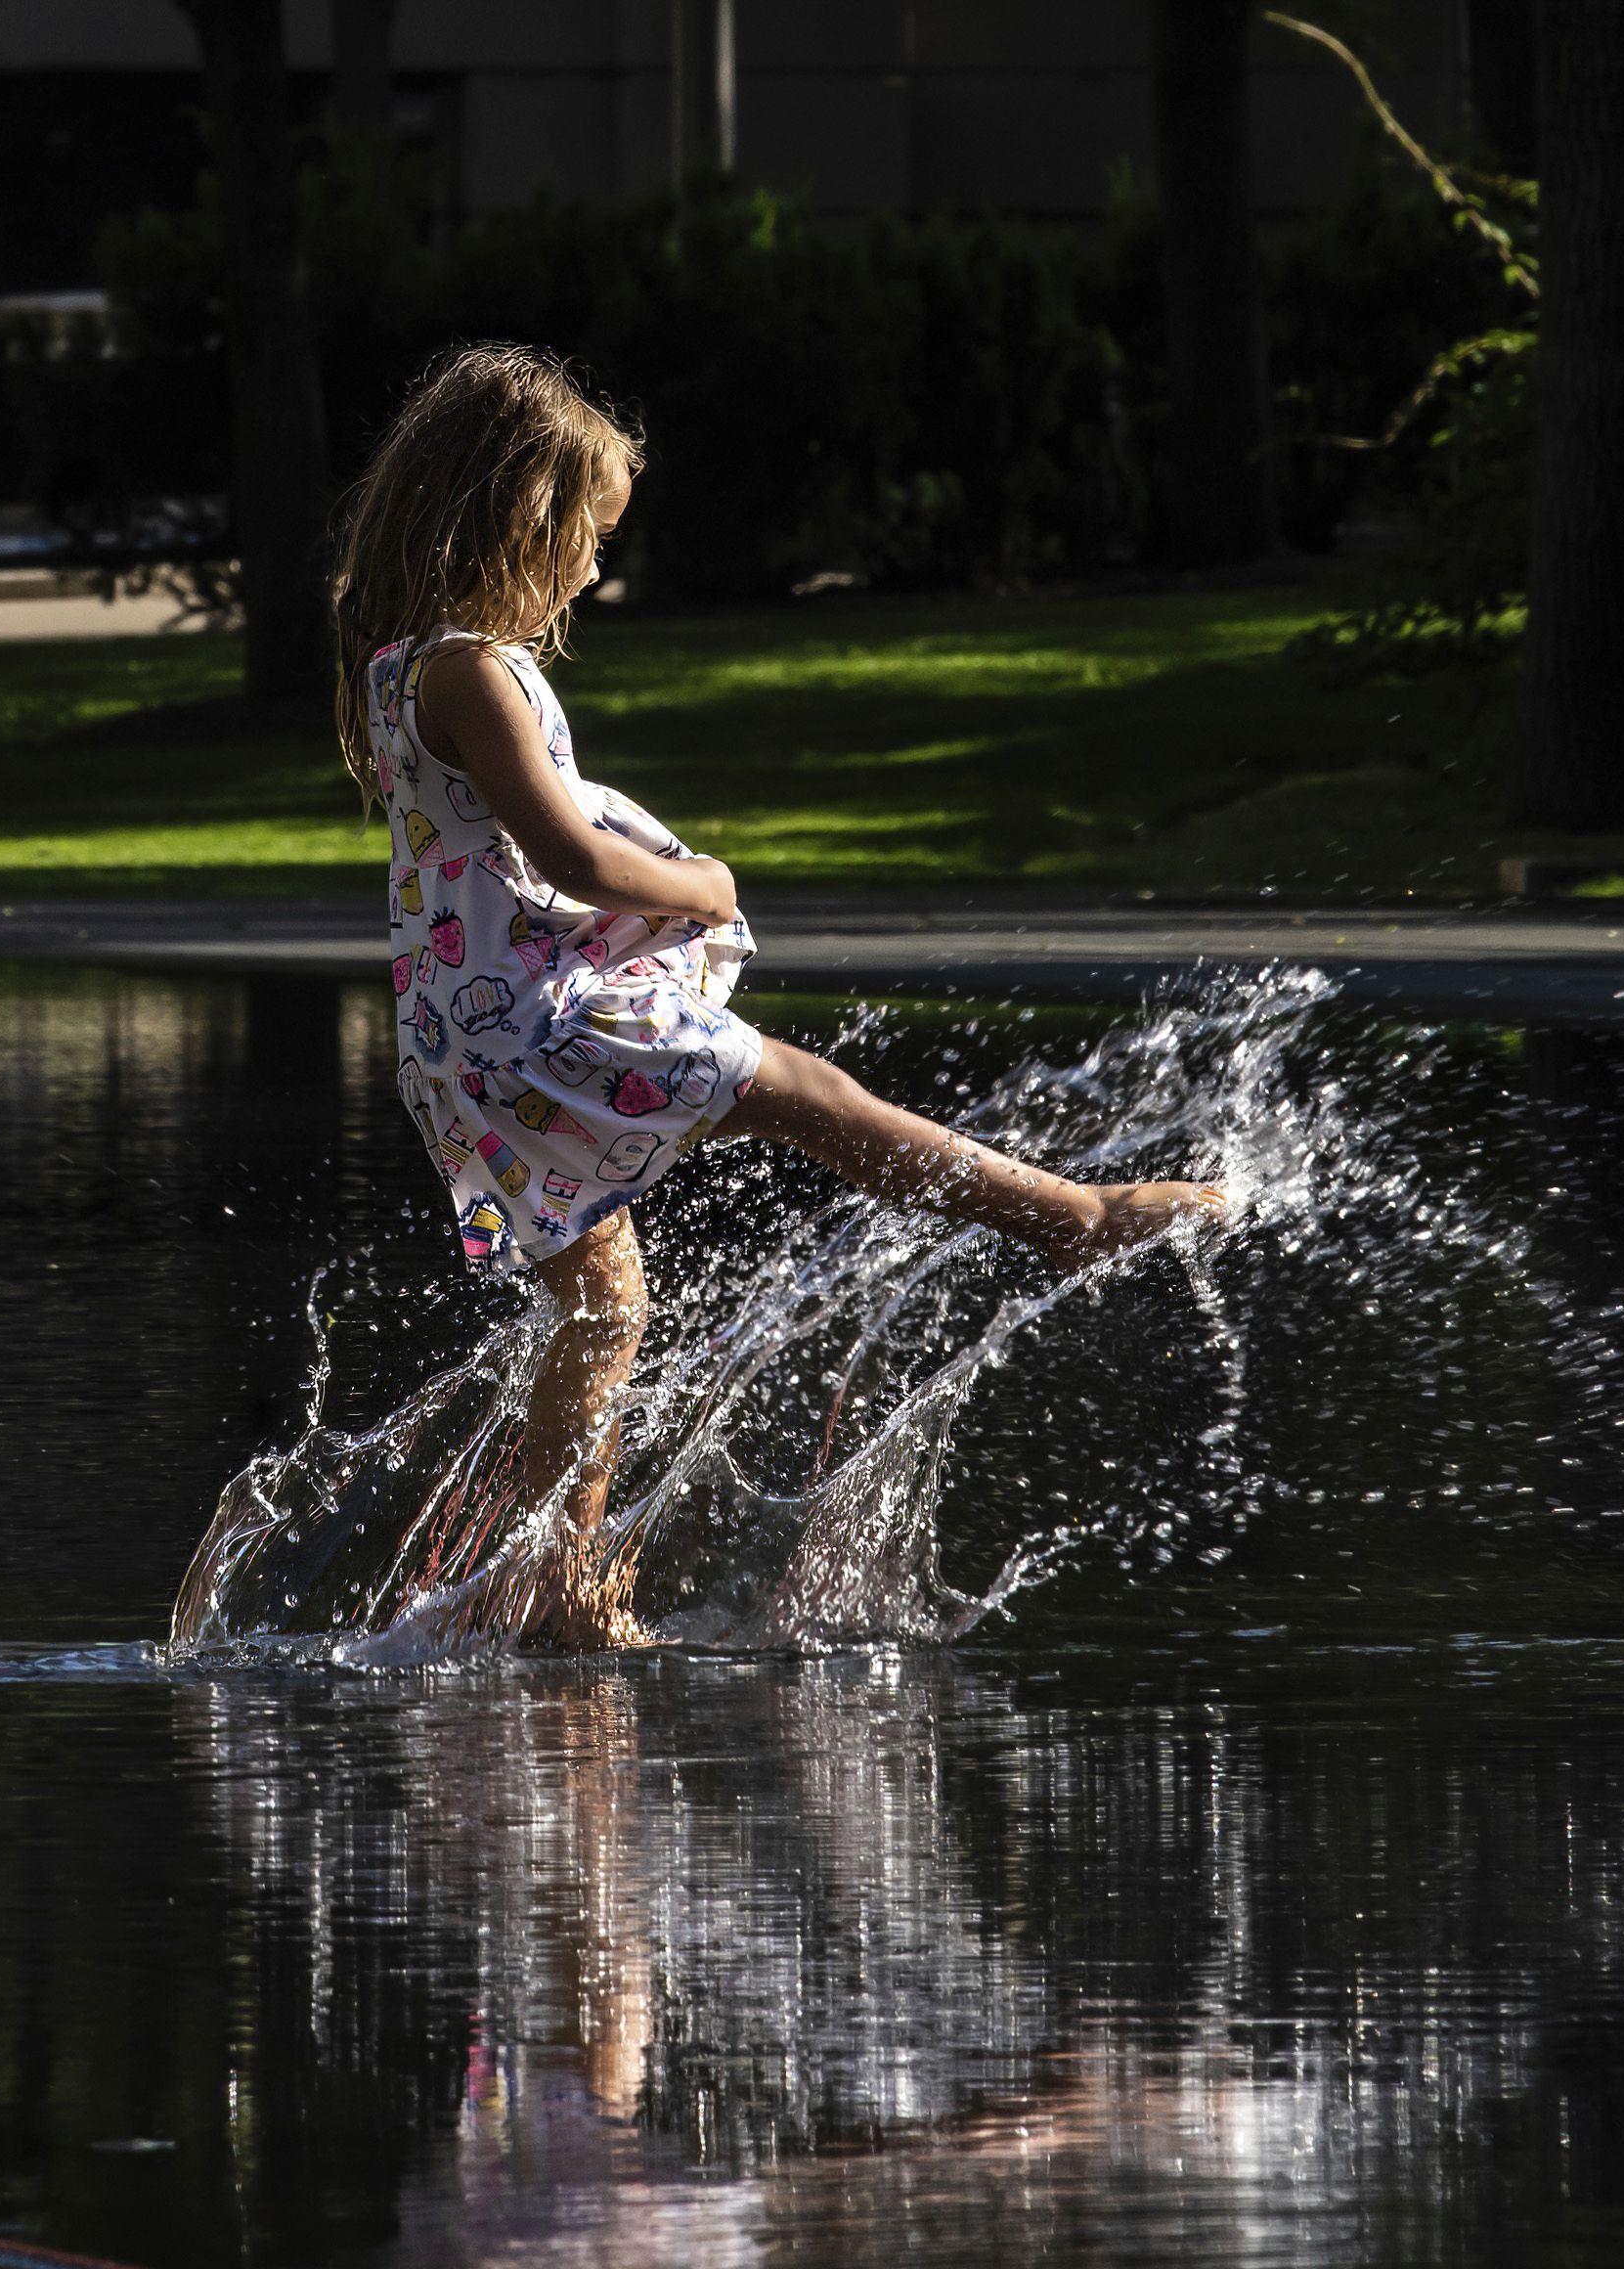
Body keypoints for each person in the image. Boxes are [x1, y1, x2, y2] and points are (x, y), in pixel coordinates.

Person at [329, 344, 1225, 1645]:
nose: (593, 568)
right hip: (553, 1022)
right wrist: (699, 886)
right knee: (817, 1098)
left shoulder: (402, 666)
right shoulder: (469, 671)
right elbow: (569, 854)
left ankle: (551, 1589)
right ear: (515, 519)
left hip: (476, 1038)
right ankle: (1072, 1216)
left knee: (607, 1305)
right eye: (582, 537)